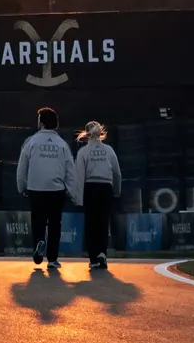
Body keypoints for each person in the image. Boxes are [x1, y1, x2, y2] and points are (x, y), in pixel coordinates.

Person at [16, 106, 78, 275]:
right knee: (55, 223)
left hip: (35, 188)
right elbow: (70, 171)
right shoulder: (62, 144)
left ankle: (38, 243)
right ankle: (52, 259)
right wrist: (75, 195)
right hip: (56, 189)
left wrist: (21, 186)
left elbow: (22, 166)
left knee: (38, 220)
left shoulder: (31, 142)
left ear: (41, 123)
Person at [72, 120, 122, 274]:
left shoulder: (83, 152)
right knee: (103, 222)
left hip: (90, 188)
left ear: (86, 134)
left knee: (91, 223)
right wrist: (116, 190)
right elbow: (116, 173)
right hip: (106, 187)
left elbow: (79, 176)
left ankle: (93, 258)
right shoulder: (109, 150)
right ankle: (102, 253)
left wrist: (78, 197)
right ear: (101, 133)